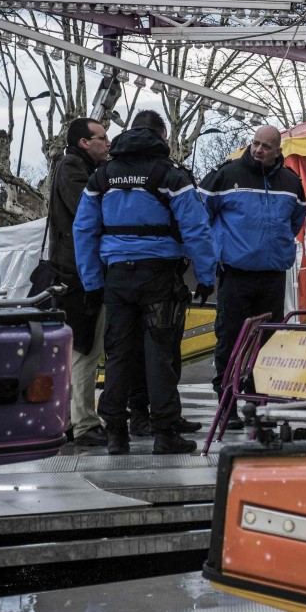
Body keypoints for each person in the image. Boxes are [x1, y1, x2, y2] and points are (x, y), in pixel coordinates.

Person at [74, 110, 217, 455]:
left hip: (116, 278)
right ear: (161, 135)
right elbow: (196, 229)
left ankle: (116, 434)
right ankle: (165, 433)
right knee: (160, 354)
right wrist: (206, 276)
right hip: (159, 276)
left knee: (118, 355)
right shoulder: (170, 175)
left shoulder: (102, 176)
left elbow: (84, 230)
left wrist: (92, 283)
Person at [199, 125, 306, 427]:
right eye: (255, 143)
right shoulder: (226, 175)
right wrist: (214, 252)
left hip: (272, 275)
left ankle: (260, 402)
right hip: (235, 273)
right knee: (230, 339)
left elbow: (296, 220)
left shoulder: (291, 182)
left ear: (278, 151)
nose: (258, 150)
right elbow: (200, 214)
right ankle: (227, 405)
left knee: (268, 341)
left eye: (266, 146)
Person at [44, 117, 111, 447]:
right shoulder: (74, 169)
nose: (108, 143)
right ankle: (84, 423)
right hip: (78, 274)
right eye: (102, 137)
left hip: (72, 272)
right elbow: (88, 212)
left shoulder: (72, 166)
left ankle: (71, 419)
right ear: (85, 142)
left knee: (79, 349)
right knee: (85, 349)